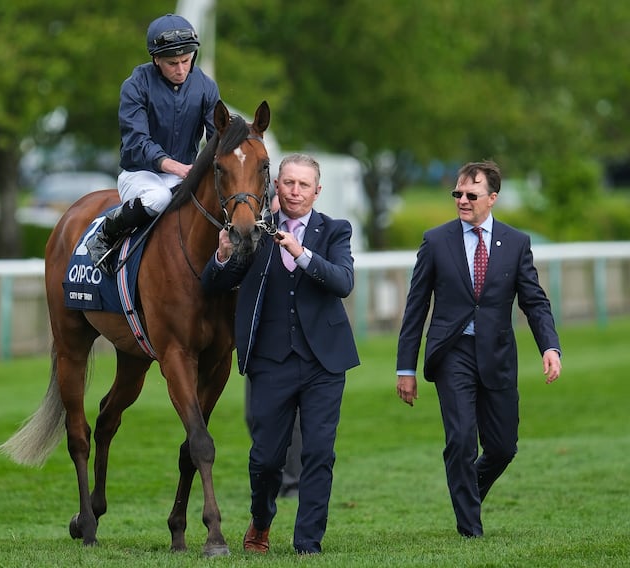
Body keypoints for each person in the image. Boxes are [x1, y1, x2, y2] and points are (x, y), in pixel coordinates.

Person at [202, 153, 360, 555]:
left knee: (319, 452)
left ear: (316, 191)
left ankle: (308, 542)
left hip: (325, 361)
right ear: (276, 185)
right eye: (288, 182)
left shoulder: (335, 230)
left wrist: (302, 254)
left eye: (303, 184)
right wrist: (221, 256)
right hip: (271, 362)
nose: (294, 191)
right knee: (266, 459)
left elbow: (343, 282)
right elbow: (214, 284)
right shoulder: (255, 231)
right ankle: (261, 520)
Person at [395, 160, 562, 538]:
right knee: (460, 438)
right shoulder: (435, 241)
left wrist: (549, 347)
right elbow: (416, 306)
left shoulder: (516, 243)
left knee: (503, 447)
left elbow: (534, 302)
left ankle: (466, 491)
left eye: (472, 195)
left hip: (498, 355)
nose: (463, 200)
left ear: (492, 199)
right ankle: (470, 527)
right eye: (458, 194)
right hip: (451, 352)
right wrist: (405, 368)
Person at [85, 13, 220, 270]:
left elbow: (216, 139)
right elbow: (137, 142)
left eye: (186, 60)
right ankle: (105, 234)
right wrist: (176, 167)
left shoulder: (206, 86)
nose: (181, 70)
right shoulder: (135, 85)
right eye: (172, 63)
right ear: (156, 59)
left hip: (183, 175)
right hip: (140, 174)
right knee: (158, 198)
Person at [242, 192, 302, 499]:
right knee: (254, 415)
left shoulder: (309, 229)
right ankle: (273, 477)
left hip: (296, 342)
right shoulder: (256, 229)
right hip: (261, 342)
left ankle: (291, 483)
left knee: (292, 418)